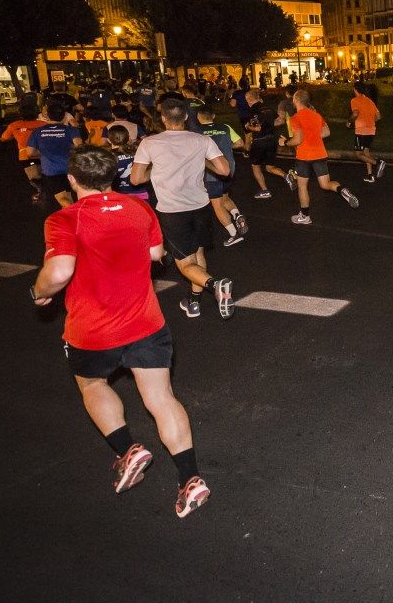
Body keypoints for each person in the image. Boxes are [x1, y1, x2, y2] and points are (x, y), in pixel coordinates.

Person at [29, 144, 209, 518]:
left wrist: (39, 292)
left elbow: (59, 272)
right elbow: (155, 255)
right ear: (113, 176)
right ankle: (191, 479)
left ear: (72, 179)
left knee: (93, 385)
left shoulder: (65, 219)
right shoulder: (139, 208)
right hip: (146, 322)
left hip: (92, 329)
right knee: (161, 399)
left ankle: (128, 448)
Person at [130, 97, 234, 320]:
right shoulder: (201, 140)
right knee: (198, 253)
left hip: (172, 211)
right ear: (187, 117)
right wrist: (203, 161)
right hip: (201, 205)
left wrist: (154, 173)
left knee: (186, 263)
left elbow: (136, 178)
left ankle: (215, 284)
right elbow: (224, 170)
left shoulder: (149, 143)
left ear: (163, 118)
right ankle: (194, 302)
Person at [282, 89, 359, 225]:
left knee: (302, 186)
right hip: (320, 154)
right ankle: (341, 189)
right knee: (325, 184)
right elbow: (327, 132)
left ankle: (305, 216)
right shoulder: (317, 116)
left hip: (304, 157)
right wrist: (312, 136)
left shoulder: (295, 118)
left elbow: (298, 140)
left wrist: (286, 142)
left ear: (295, 100)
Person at [196, 107, 248, 247]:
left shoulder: (197, 131)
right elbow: (240, 143)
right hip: (229, 169)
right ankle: (237, 215)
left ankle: (234, 234)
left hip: (212, 171)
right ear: (213, 115)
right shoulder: (225, 127)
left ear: (199, 117)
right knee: (225, 197)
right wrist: (227, 147)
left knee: (217, 205)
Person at [29, 102, 84, 208]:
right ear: (64, 117)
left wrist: (44, 153)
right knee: (72, 197)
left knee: (63, 198)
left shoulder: (37, 132)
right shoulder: (71, 130)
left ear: (47, 116)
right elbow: (80, 147)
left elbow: (30, 153)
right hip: (73, 168)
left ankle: (76, 218)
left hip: (52, 171)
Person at [1, 103, 47, 203]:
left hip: (25, 155)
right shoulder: (44, 124)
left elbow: (4, 138)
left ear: (21, 114)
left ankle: (39, 192)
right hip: (43, 154)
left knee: (33, 178)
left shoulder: (15, 125)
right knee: (44, 174)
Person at [349, 81, 385, 182]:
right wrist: (369, 121)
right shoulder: (369, 101)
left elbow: (355, 113)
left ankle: (378, 163)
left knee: (358, 154)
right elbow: (378, 116)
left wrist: (349, 121)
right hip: (371, 131)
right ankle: (370, 175)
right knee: (366, 152)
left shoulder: (354, 100)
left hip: (361, 131)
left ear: (355, 89)